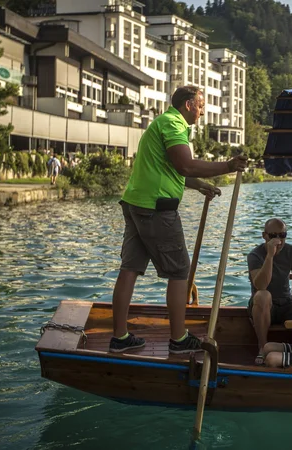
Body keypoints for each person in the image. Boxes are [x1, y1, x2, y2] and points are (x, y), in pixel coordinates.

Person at [109, 86, 248, 354]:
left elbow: (173, 170)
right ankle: (179, 339)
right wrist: (228, 167)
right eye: (200, 105)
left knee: (130, 269)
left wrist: (198, 185)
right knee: (180, 272)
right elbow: (185, 165)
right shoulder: (174, 123)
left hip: (137, 204)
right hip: (157, 208)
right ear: (187, 105)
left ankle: (120, 337)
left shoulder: (162, 123)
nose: (202, 110)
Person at [249, 218, 292, 354]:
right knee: (263, 295)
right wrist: (270, 256)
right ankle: (263, 347)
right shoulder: (255, 255)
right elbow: (261, 285)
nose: (278, 240)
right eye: (273, 236)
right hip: (264, 306)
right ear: (264, 236)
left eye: (282, 235)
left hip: (286, 304)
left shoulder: (291, 251)